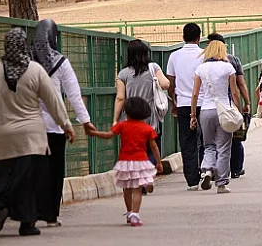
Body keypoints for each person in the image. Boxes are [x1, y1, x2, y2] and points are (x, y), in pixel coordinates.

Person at [0, 28, 74, 237]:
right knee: (30, 179)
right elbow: (53, 101)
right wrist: (66, 124)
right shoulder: (35, 70)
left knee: (3, 173)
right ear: (25, 45)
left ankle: (3, 204)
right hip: (30, 136)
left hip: (0, 135)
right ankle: (27, 224)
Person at [32, 19, 93, 227]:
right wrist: (85, 121)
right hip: (55, 126)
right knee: (54, 170)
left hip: (29, 127)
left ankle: (30, 212)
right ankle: (50, 215)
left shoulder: (27, 62)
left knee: (33, 169)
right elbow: (74, 95)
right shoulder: (60, 62)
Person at [87, 97, 162, 227]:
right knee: (137, 189)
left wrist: (94, 133)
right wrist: (159, 162)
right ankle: (135, 214)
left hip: (125, 161)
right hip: (141, 161)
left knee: (127, 188)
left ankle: (128, 212)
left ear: (126, 112)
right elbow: (154, 146)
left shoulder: (122, 126)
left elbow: (108, 135)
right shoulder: (147, 129)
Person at [113, 39, 170, 180]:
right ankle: (146, 174)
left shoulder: (123, 74)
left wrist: (115, 120)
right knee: (152, 148)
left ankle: (137, 176)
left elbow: (120, 98)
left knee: (134, 150)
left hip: (130, 119)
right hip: (150, 118)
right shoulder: (153, 68)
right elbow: (165, 84)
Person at [190, 40, 242, 194]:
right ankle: (221, 183)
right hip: (224, 111)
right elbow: (234, 92)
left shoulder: (201, 68)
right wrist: (238, 109)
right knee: (224, 148)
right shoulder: (228, 67)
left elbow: (195, 94)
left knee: (208, 145)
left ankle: (206, 170)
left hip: (205, 111)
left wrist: (193, 114)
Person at [207, 33, 252, 180]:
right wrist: (247, 102)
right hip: (230, 103)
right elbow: (241, 83)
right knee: (234, 136)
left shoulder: (204, 62)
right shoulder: (233, 60)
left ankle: (212, 169)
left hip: (210, 104)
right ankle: (236, 168)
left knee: (211, 140)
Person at [166, 23, 205, 191]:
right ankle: (206, 169)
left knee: (187, 141)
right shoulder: (204, 55)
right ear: (199, 37)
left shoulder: (174, 56)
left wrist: (173, 102)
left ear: (183, 37)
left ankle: (192, 180)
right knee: (205, 138)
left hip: (183, 103)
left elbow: (170, 82)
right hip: (204, 102)